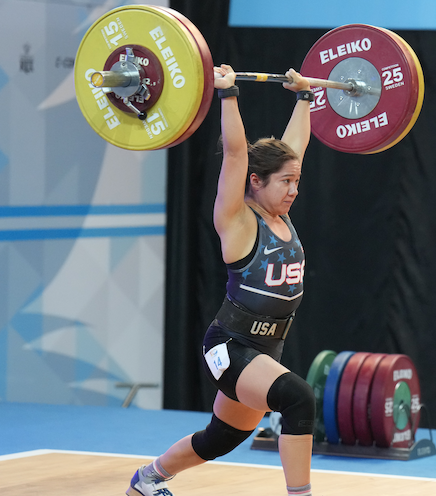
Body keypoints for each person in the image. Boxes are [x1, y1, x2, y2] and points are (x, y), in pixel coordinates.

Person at [125, 64, 318, 496]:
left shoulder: (280, 213)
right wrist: (228, 95)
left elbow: (295, 149)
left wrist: (304, 98)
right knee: (298, 398)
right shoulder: (237, 220)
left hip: (266, 347)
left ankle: (148, 478)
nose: (293, 189)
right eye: (285, 181)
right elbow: (235, 155)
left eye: (297, 181)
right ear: (256, 181)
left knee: (221, 437)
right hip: (231, 347)